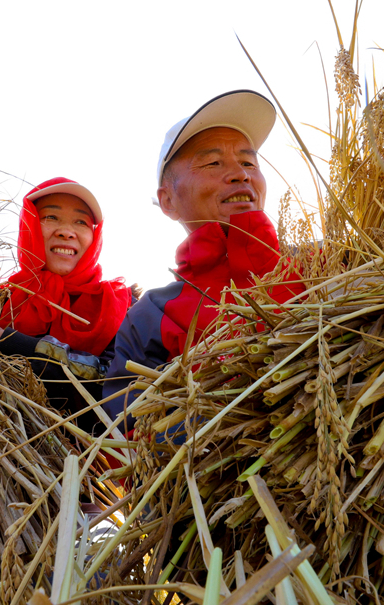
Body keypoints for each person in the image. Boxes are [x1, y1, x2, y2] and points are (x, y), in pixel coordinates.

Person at [102, 90, 303, 428]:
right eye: (213, 163)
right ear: (168, 201)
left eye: (248, 163)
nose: (240, 174)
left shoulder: (322, 268)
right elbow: (128, 434)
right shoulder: (151, 316)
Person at [0, 177, 134, 420]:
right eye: (51, 217)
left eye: (81, 222)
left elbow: (111, 381)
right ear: (28, 224)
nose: (66, 231)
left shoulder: (124, 307)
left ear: (94, 235)